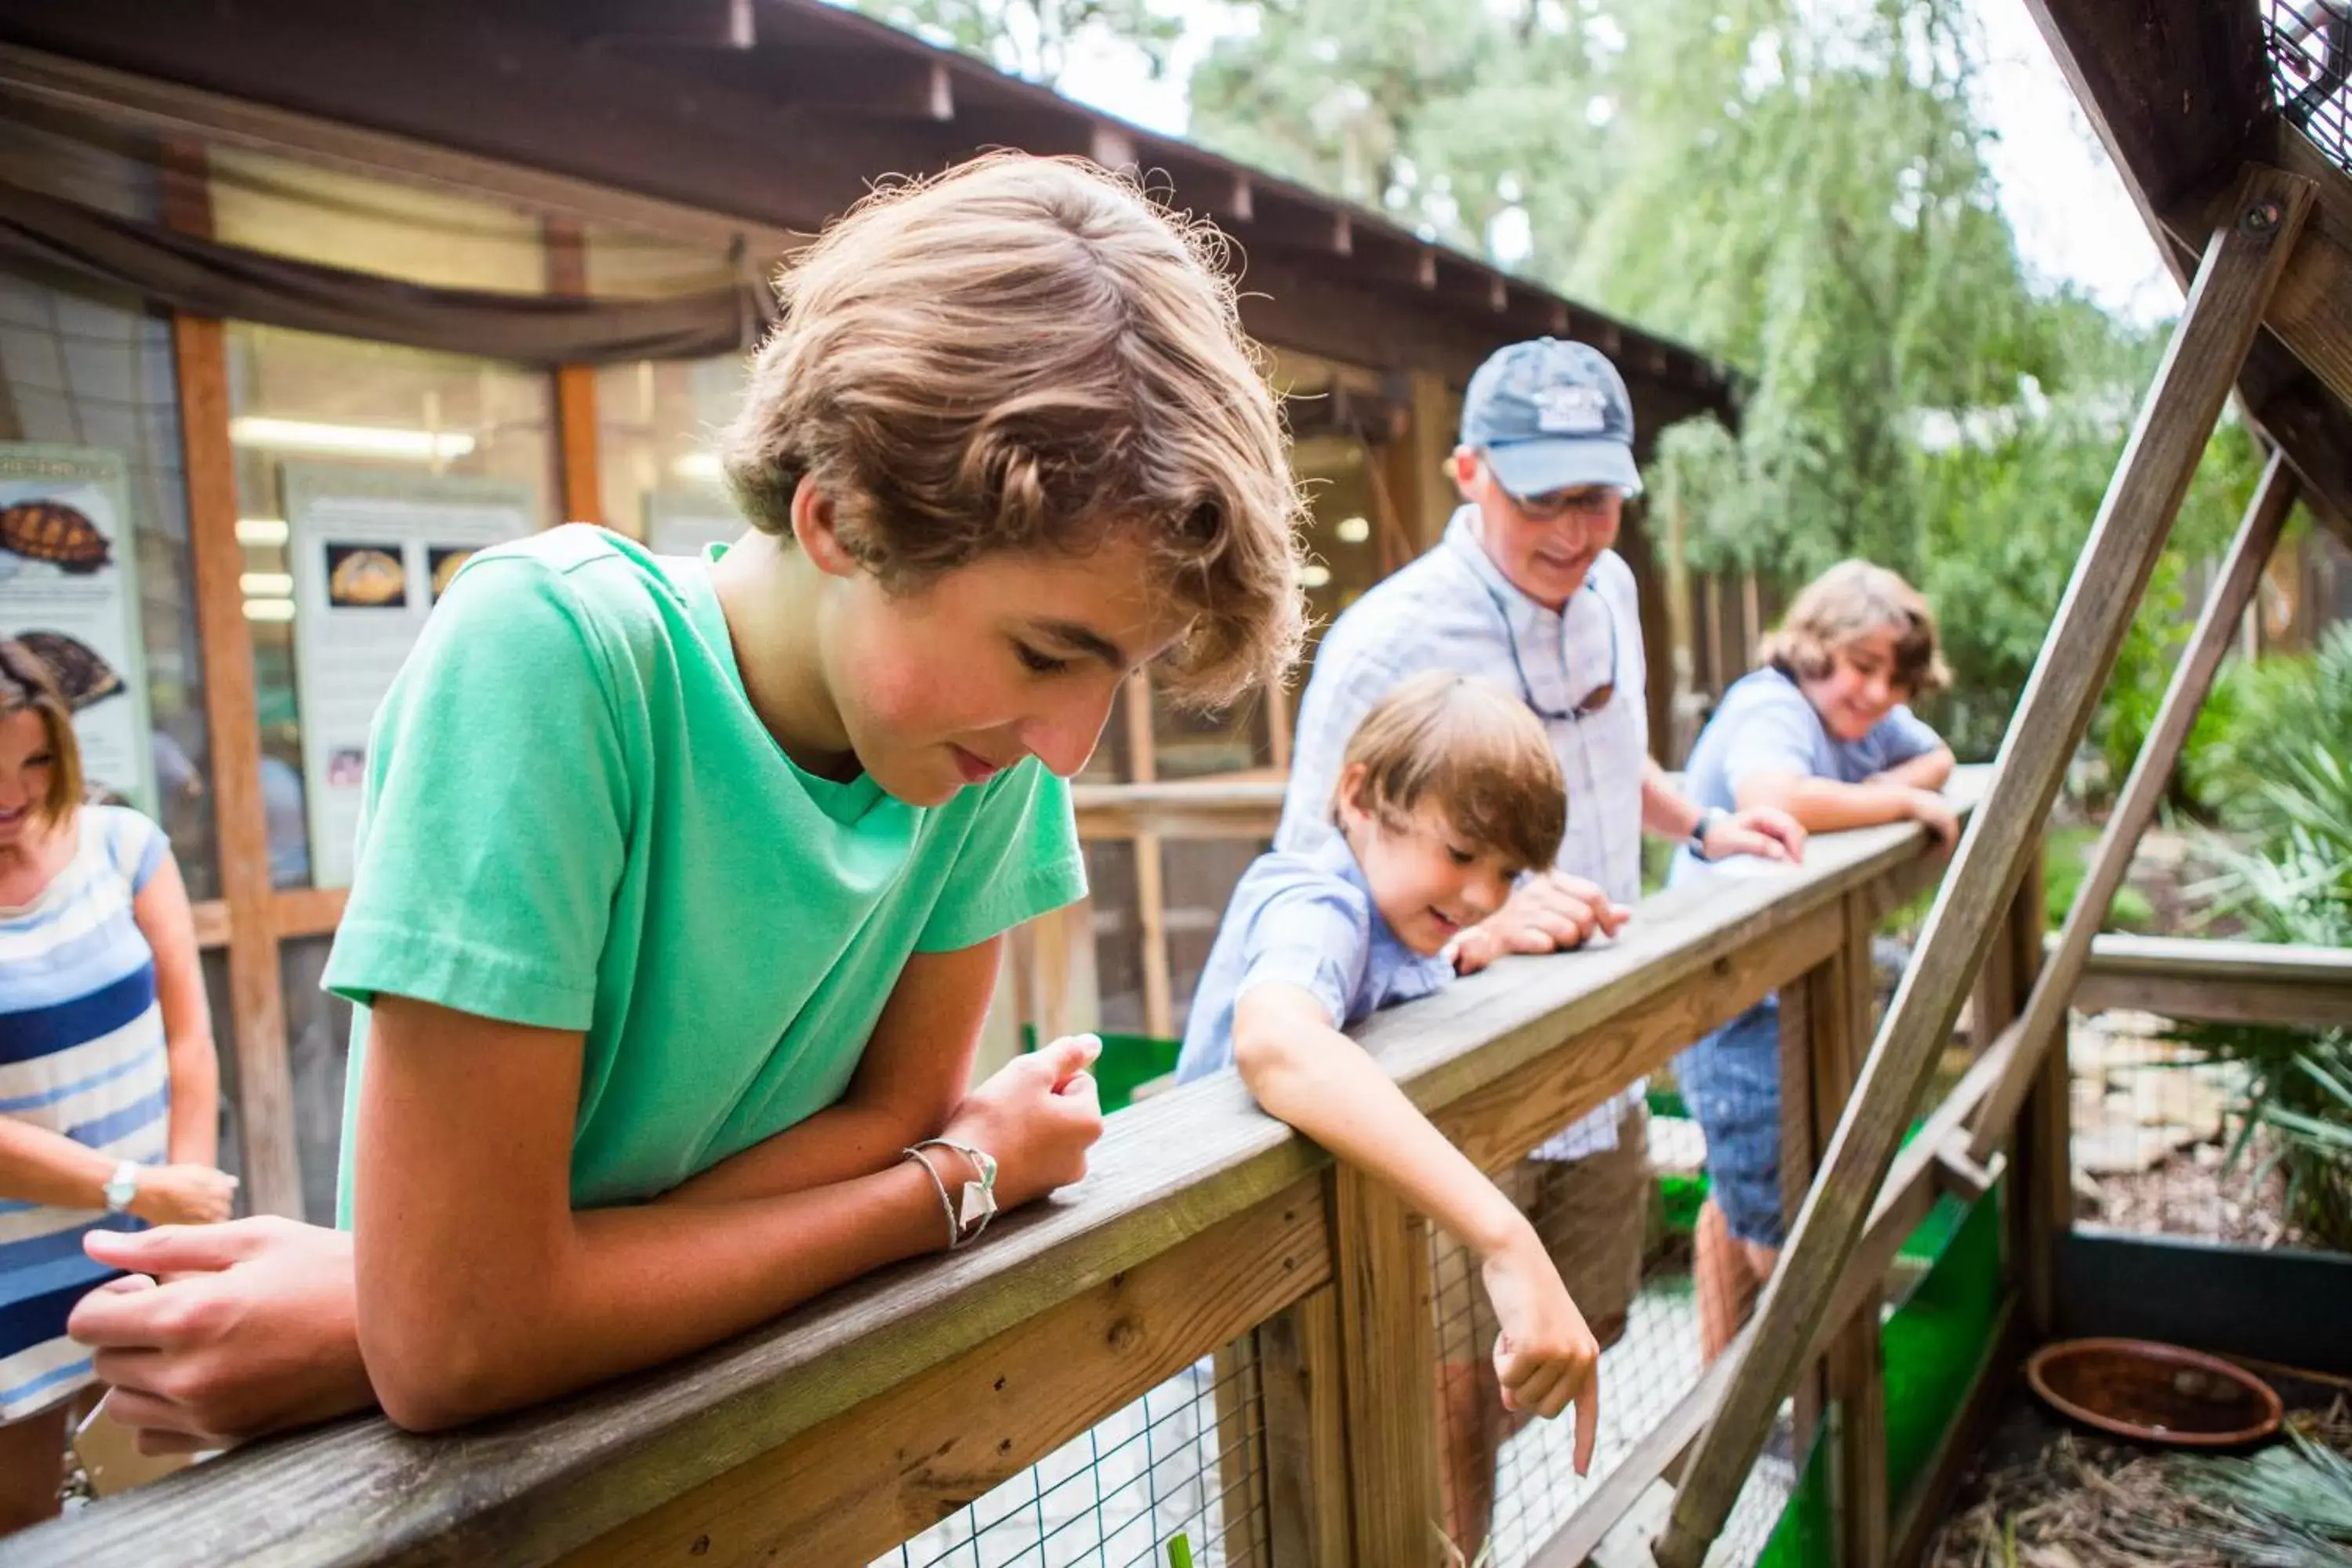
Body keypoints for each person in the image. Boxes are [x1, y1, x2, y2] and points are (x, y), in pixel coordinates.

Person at [67, 153, 1306, 1447]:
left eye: (1121, 672)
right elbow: (456, 1348)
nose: (1070, 746)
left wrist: (412, 1305)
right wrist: (950, 1187)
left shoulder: (969, 749)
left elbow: (874, 1123)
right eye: (1047, 654)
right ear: (840, 518)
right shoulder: (551, 653)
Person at [1274, 336, 1805, 1555]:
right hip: (1457, 1077)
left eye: (1598, 497)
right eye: (1542, 497)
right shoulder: (1387, 642)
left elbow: (1619, 763)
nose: (1574, 530)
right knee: (1463, 1385)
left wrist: (1710, 821)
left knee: (1594, 1323)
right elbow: (1315, 869)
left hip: (1599, 1052)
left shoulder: (1609, 594)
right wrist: (1479, 926)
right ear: (1469, 472)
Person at [1175, 673, 1600, 1534]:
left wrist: (1481, 938)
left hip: (1309, 1304)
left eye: (1508, 871)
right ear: (1359, 794)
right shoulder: (1314, 896)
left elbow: (1410, 959)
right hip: (1211, 1330)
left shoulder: (1412, 917)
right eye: (1459, 853)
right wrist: (1504, 1235)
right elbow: (1278, 1039)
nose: (1483, 891)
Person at [1669, 561, 1954, 1362]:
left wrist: (1898, 781)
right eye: (1864, 668)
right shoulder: (1772, 703)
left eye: (1895, 680)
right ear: (1816, 643)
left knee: (1740, 1197)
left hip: (1786, 984)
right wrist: (1899, 801)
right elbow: (1774, 798)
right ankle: (1811, 1400)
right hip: (1731, 996)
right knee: (1782, 1224)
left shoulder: (1852, 720)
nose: (1876, 695)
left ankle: (1716, 1392)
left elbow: (1934, 753)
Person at [0, 641, 233, 1533]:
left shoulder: (124, 843)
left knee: (172, 1509)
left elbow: (189, 1037)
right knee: (22, 1523)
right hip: (14, 1276)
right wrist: (137, 1188)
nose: (13, 794)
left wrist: (182, 1216)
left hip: (144, 1248)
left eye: (35, 760)